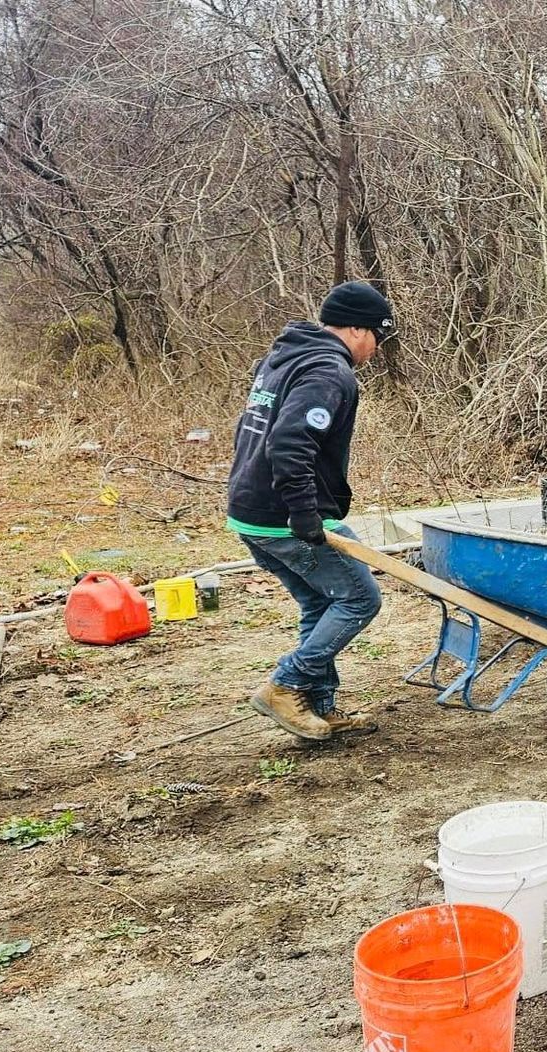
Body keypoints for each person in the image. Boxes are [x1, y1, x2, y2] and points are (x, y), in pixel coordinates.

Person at [226, 281, 394, 742]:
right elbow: (288, 442)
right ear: (359, 330)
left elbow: (254, 431)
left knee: (321, 601)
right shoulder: (328, 372)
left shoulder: (285, 357)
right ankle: (285, 684)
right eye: (379, 337)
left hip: (250, 506)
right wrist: (303, 513)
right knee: (361, 598)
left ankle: (317, 705)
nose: (377, 350)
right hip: (281, 516)